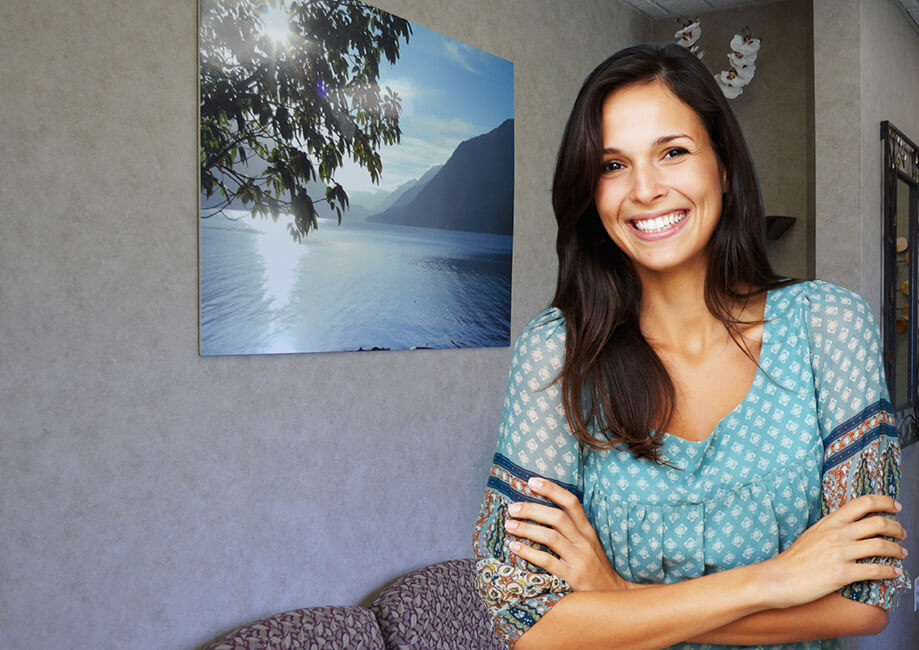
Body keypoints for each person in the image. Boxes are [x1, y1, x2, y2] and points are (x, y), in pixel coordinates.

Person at [472, 43, 909, 650]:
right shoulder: (558, 354)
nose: (645, 189)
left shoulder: (828, 327)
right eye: (612, 165)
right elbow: (521, 619)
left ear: (723, 166)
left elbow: (866, 600)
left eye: (673, 152)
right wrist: (773, 581)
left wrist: (620, 599)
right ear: (591, 192)